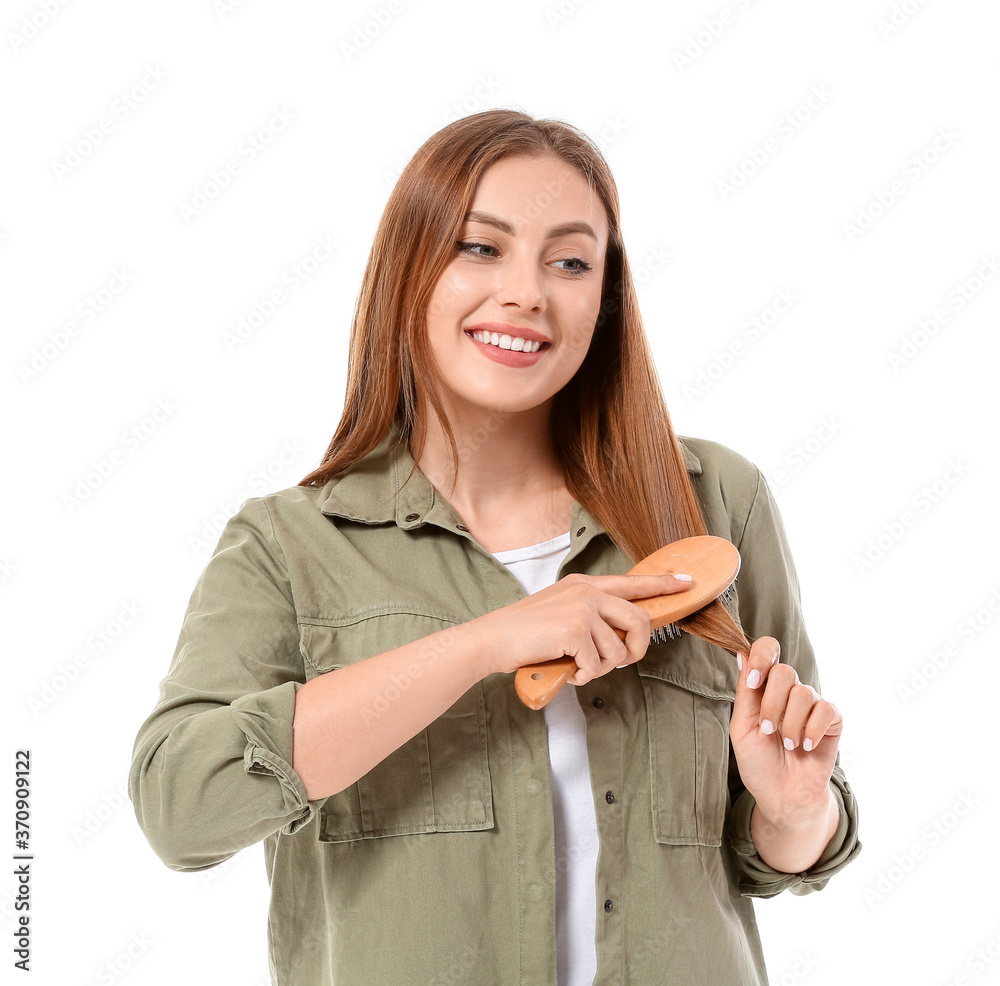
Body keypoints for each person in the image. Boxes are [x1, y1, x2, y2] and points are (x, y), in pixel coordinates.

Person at [129, 109, 861, 985]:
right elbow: (181, 807)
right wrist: (485, 642)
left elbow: (783, 846)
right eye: (482, 248)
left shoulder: (712, 505)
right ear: (410, 269)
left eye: (570, 261)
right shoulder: (291, 545)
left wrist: (794, 812)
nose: (527, 292)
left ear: (606, 296)